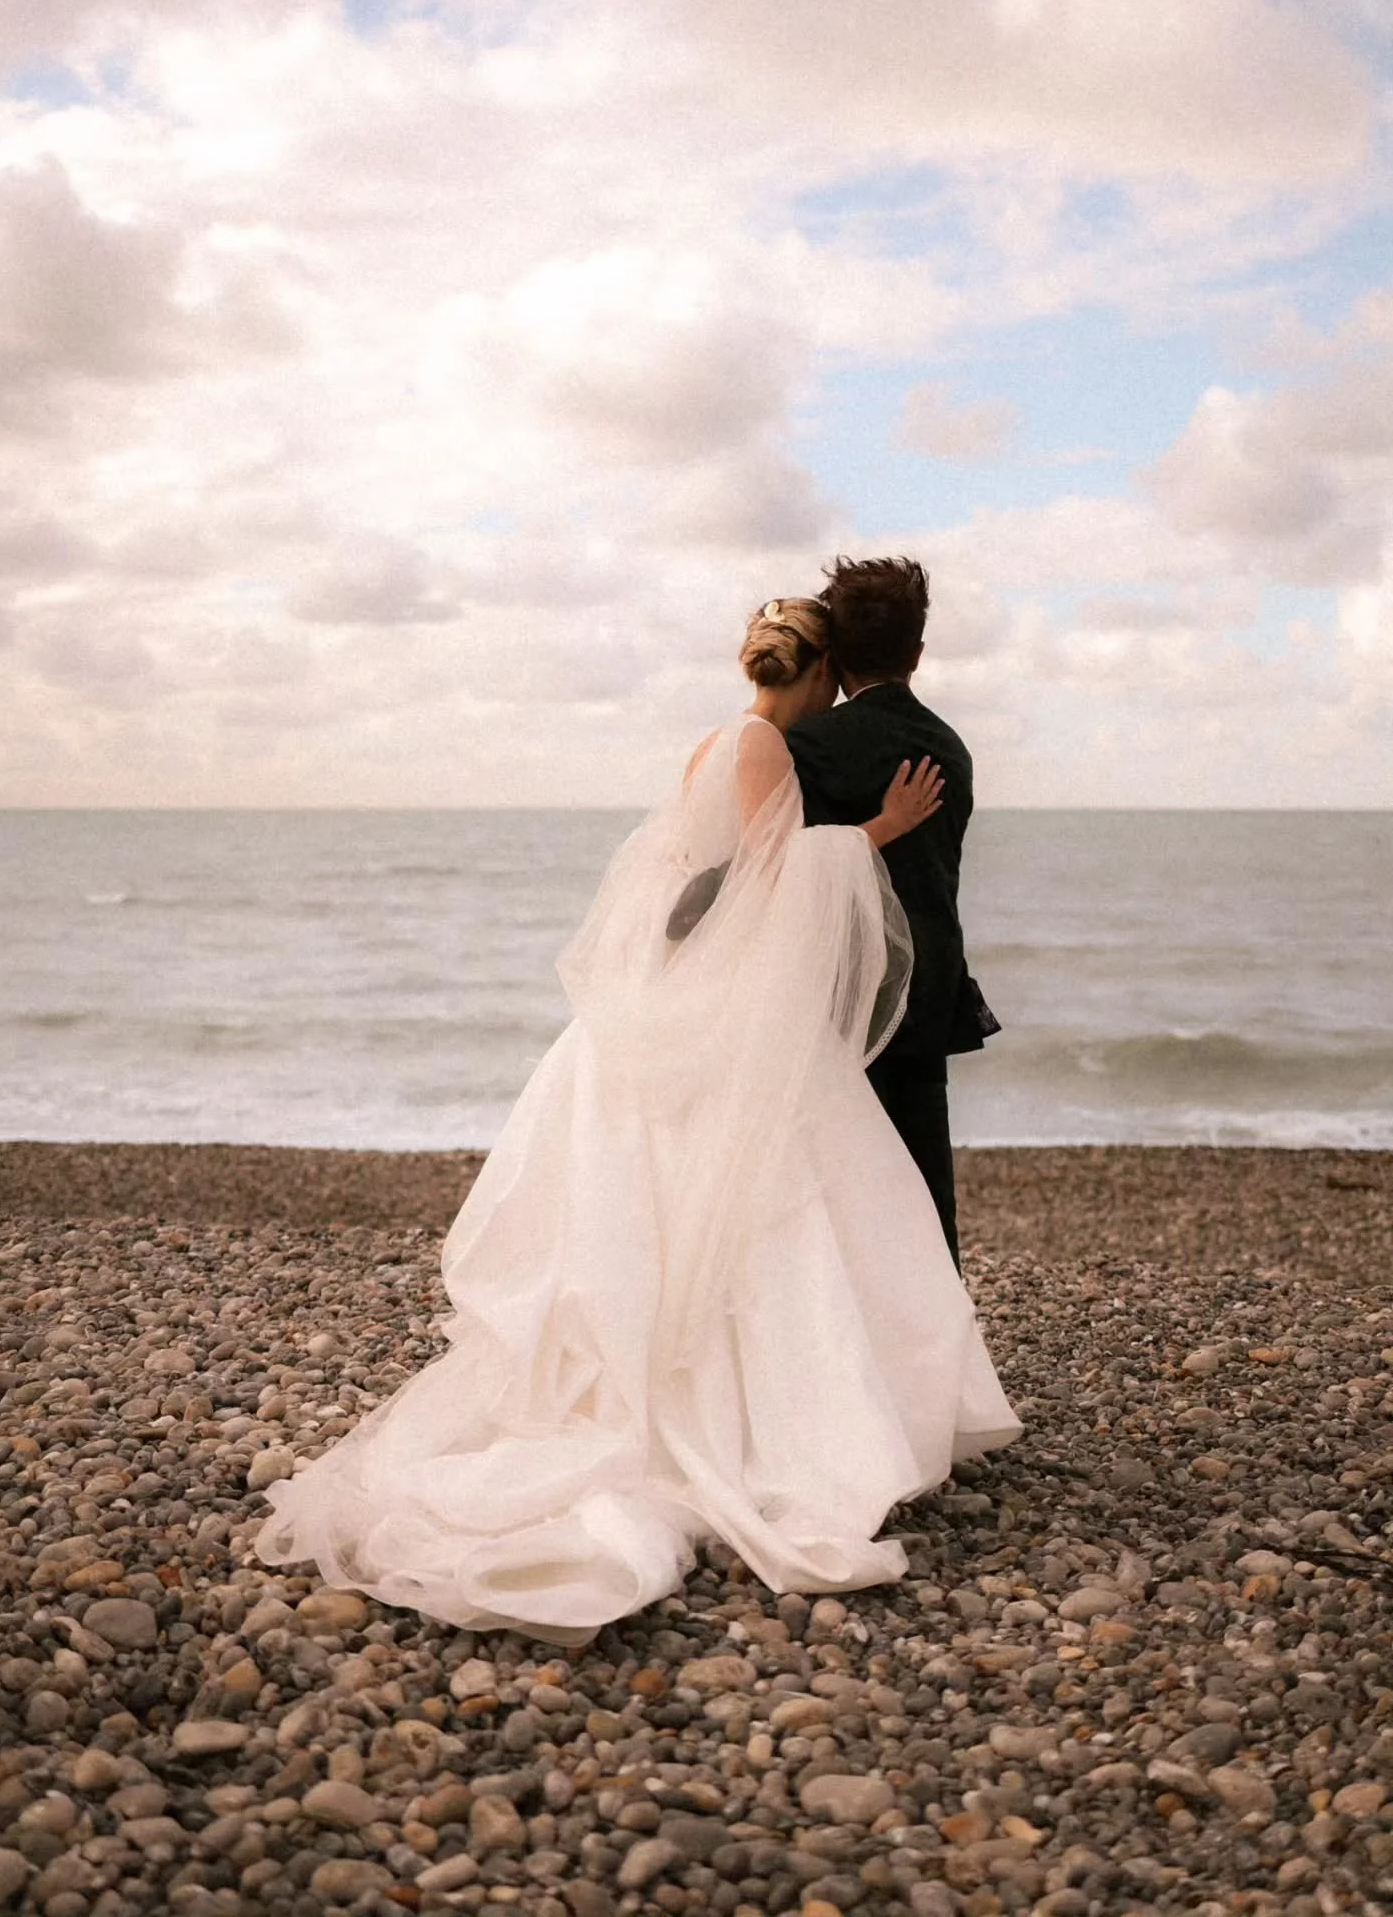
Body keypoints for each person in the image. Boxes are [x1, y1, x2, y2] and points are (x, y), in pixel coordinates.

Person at [255, 596, 1022, 1645]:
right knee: (764, 1203)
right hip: (724, 1009)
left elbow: (690, 882)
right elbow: (768, 869)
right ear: (822, 667)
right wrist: (880, 833)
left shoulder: (722, 735)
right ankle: (766, 1413)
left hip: (691, 996)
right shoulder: (759, 742)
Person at [788, 557, 999, 1267]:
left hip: (833, 988)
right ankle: (937, 1340)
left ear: (834, 655)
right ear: (917, 652)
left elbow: (787, 869)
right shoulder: (950, 748)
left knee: (827, 1179)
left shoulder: (808, 745)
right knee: (921, 1180)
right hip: (929, 984)